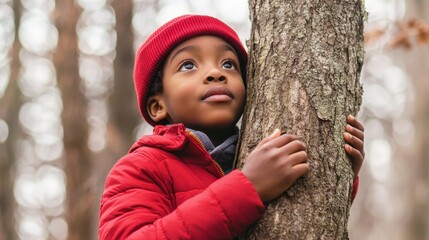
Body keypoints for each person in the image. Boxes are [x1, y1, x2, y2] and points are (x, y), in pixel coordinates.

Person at [98, 14, 365, 239]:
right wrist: (247, 187)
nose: (216, 73)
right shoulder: (142, 167)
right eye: (188, 65)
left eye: (229, 64)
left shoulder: (256, 149)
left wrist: (338, 174)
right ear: (158, 106)